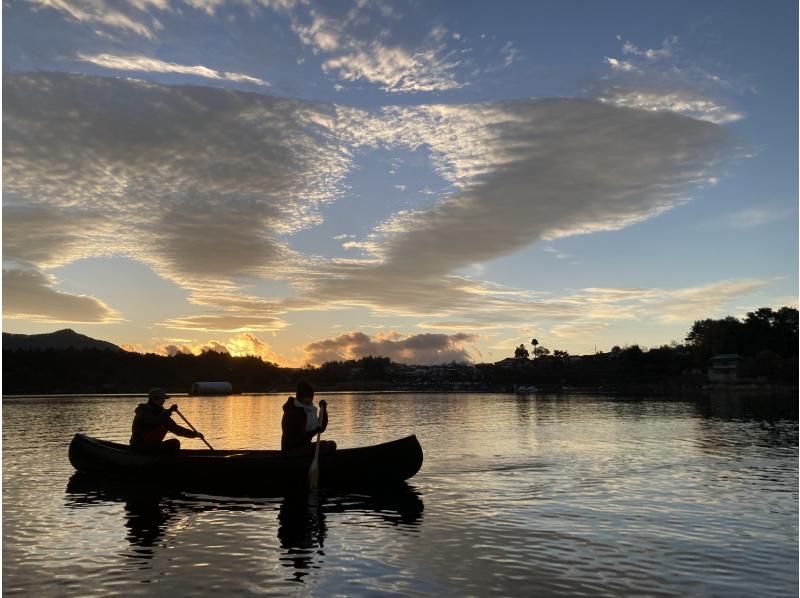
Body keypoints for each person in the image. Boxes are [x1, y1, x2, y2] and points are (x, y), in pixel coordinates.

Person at [129, 388, 203, 454]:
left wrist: (194, 434)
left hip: (153, 447)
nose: (164, 401)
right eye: (162, 399)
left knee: (174, 443)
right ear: (154, 399)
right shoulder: (143, 411)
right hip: (139, 447)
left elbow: (176, 429)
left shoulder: (163, 414)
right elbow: (154, 421)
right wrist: (170, 411)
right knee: (174, 443)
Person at [281, 381, 336, 455]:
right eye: (308, 398)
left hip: (304, 447)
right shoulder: (292, 413)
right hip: (291, 450)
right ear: (300, 398)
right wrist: (314, 431)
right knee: (324, 447)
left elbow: (321, 428)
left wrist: (323, 410)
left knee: (332, 445)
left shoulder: (309, 409)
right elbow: (297, 439)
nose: (310, 400)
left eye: (311, 398)